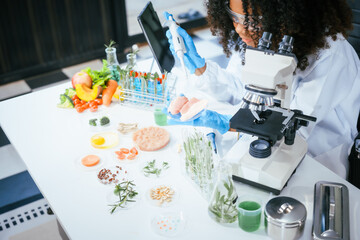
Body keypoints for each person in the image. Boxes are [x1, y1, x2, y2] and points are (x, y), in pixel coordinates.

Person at [164, 0, 360, 179]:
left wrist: (228, 122)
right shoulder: (255, 38)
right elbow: (239, 88)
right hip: (264, 144)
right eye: (235, 18)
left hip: (318, 158)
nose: (240, 29)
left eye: (250, 21)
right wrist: (200, 68)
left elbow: (296, 130)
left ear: (284, 17)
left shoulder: (330, 55)